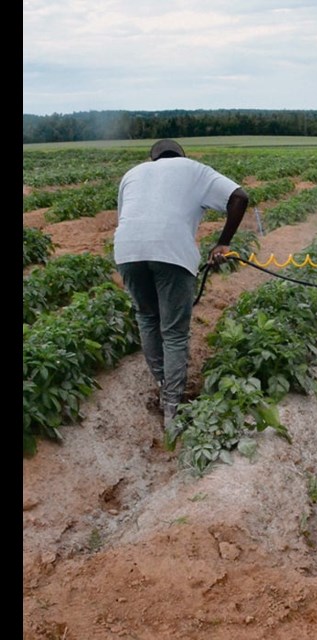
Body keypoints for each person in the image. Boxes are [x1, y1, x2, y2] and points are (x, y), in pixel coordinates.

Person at [114, 139, 249, 433]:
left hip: (127, 250)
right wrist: (223, 243)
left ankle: (163, 385)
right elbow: (239, 197)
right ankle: (173, 407)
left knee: (148, 318)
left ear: (154, 158)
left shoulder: (132, 174)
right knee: (174, 332)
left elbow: (125, 219)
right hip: (171, 251)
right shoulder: (194, 169)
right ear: (180, 156)